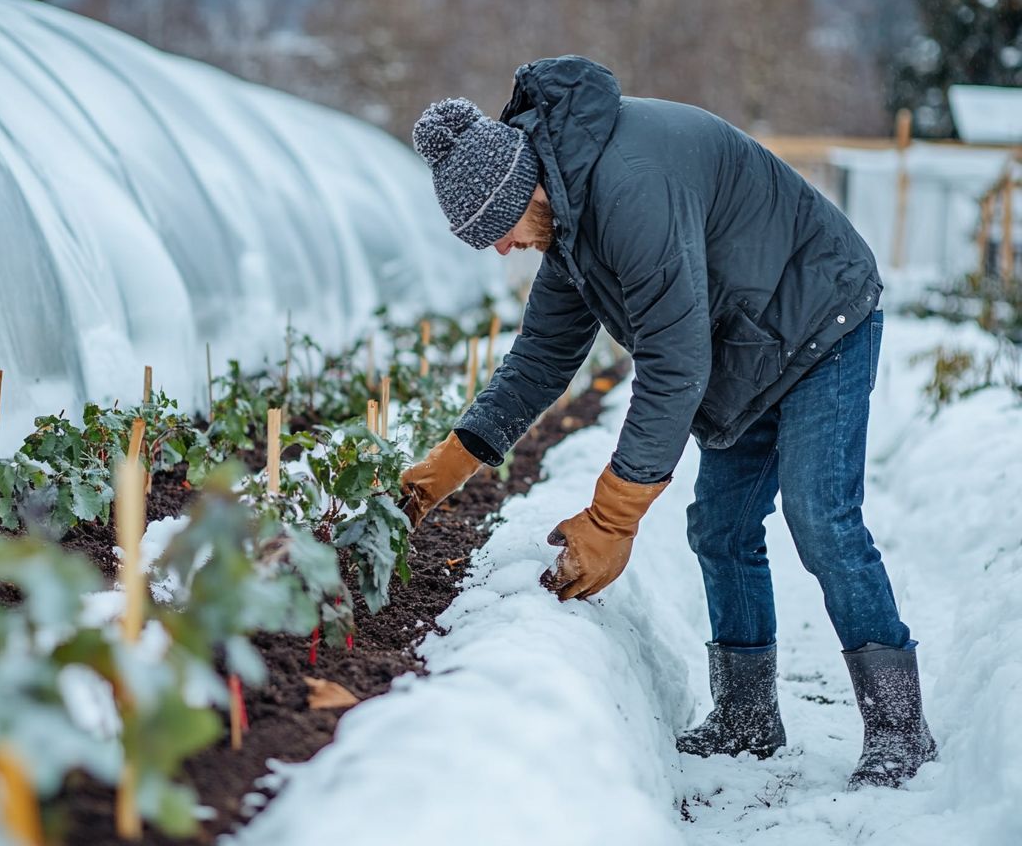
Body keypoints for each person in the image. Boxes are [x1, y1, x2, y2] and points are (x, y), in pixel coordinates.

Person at [398, 55, 936, 790]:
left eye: (499, 229)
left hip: (819, 319)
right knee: (719, 528)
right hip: (747, 343)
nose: (502, 249)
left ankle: (899, 728)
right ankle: (747, 719)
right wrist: (449, 465)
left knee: (821, 516)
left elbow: (674, 362)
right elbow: (542, 358)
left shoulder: (627, 187)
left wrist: (613, 518)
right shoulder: (571, 211)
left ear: (523, 188)